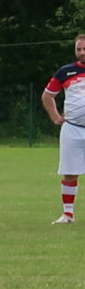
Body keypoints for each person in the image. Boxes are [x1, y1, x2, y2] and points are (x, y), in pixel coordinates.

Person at [43, 35, 85, 224]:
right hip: (72, 128)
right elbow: (47, 96)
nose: (82, 53)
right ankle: (68, 214)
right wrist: (55, 117)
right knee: (70, 172)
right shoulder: (66, 71)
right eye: (79, 49)